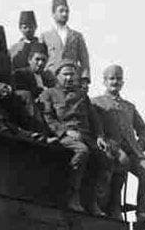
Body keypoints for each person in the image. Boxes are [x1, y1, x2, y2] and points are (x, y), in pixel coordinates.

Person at [39, 59, 110, 215]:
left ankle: (92, 201)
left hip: (85, 135)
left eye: (72, 75)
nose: (69, 78)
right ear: (57, 76)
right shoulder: (48, 94)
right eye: (65, 74)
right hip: (65, 136)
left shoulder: (82, 96)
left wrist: (99, 137)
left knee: (102, 156)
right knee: (82, 151)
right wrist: (65, 132)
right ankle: (73, 196)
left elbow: (94, 119)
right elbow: (48, 117)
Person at [92, 64, 145, 220]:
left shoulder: (129, 107)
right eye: (111, 78)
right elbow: (95, 127)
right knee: (120, 164)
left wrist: (141, 144)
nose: (115, 82)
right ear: (104, 82)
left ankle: (141, 212)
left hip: (133, 151)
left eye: (118, 79)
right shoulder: (96, 103)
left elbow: (144, 129)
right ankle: (114, 207)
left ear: (123, 82)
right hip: (111, 149)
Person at [40, 0, 90, 79]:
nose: (65, 14)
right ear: (53, 13)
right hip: (51, 79)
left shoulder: (77, 36)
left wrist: (85, 78)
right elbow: (41, 60)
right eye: (61, 11)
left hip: (72, 78)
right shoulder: (45, 36)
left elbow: (84, 60)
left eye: (67, 11)